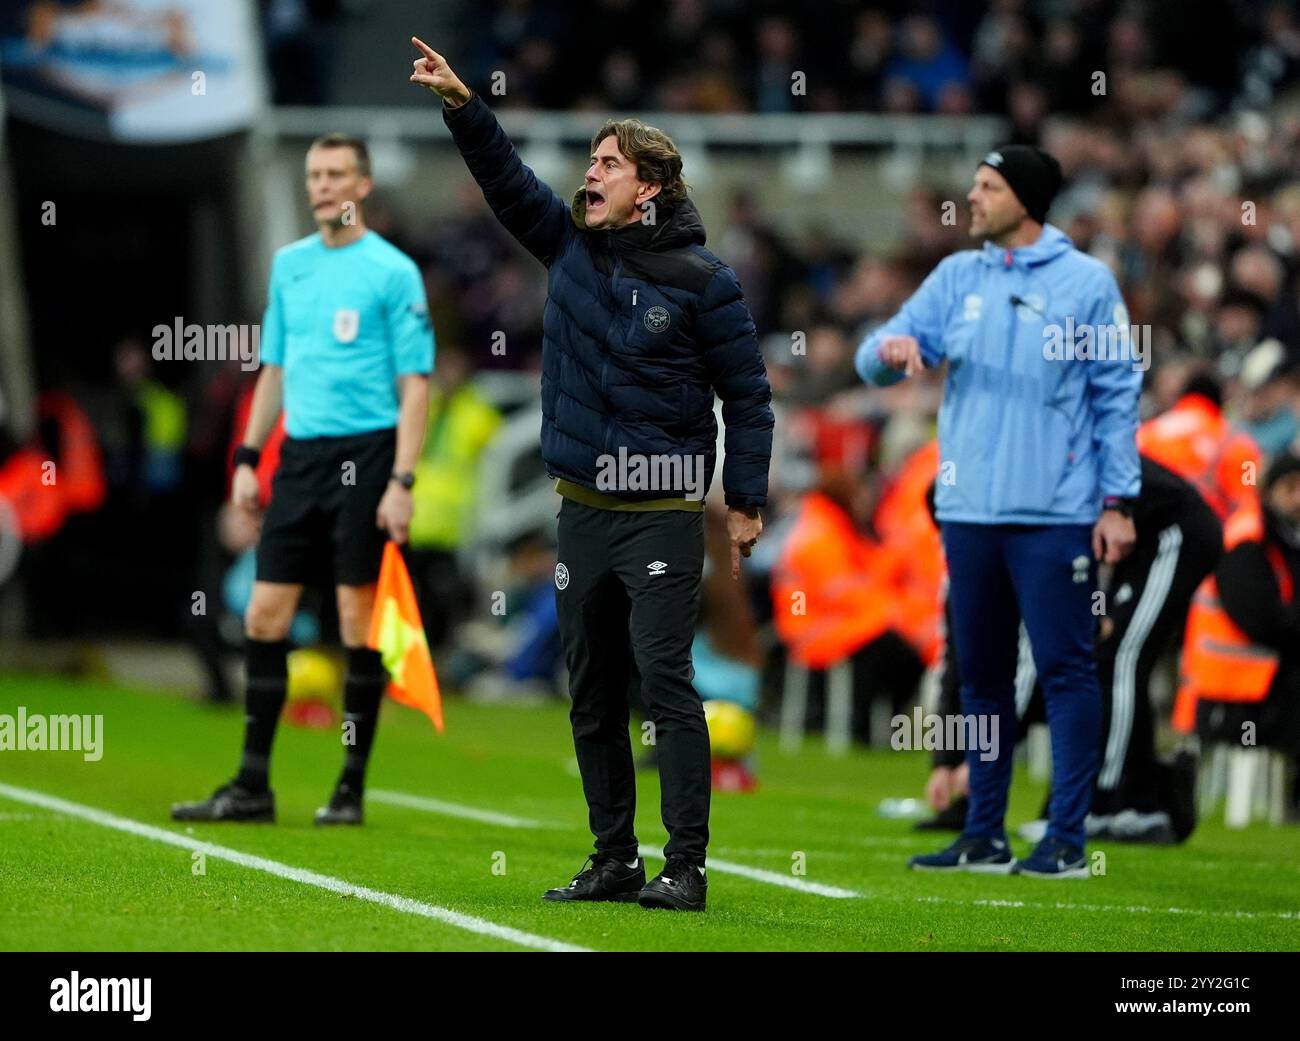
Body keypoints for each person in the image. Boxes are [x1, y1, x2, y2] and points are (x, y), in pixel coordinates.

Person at [410, 36, 773, 911]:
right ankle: (614, 857)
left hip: (659, 513)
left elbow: (749, 398)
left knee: (666, 680)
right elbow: (507, 182)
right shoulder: (568, 247)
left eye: (607, 162)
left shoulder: (703, 281)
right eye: (591, 160)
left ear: (648, 185)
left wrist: (747, 501)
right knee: (592, 693)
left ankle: (684, 864)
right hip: (581, 511)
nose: (590, 173)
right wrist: (464, 104)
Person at [857, 144, 1142, 878]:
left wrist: (1117, 500)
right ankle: (983, 832)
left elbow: (1116, 398)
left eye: (987, 187)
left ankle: (1068, 839)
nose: (972, 198)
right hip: (969, 513)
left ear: (1025, 197)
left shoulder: (1085, 285)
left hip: (1054, 514)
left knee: (1065, 670)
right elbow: (871, 355)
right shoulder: (958, 277)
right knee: (980, 678)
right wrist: (889, 349)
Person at [172, 133, 434, 826]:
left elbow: (415, 387)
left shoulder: (393, 273)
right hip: (302, 457)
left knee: (354, 619)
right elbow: (274, 370)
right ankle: (252, 784)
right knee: (263, 613)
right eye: (314, 174)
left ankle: (349, 785)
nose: (321, 185)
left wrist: (402, 480)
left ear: (363, 185)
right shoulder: (290, 266)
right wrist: (248, 458)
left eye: (336, 174)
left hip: (369, 455)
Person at [923, 455, 1222, 844]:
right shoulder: (985, 549)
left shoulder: (1023, 516)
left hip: (1172, 529)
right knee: (1104, 660)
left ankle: (1103, 801)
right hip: (1126, 543)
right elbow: (963, 656)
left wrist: (982, 760)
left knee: (1118, 658)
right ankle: (1140, 797)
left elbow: (1032, 661)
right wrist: (948, 758)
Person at [1174, 450, 1300, 762]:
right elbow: (1261, 619)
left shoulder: (1280, 537)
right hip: (1235, 695)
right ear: (1269, 491)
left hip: (1260, 682)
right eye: (1290, 488)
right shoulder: (1247, 542)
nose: (1298, 499)